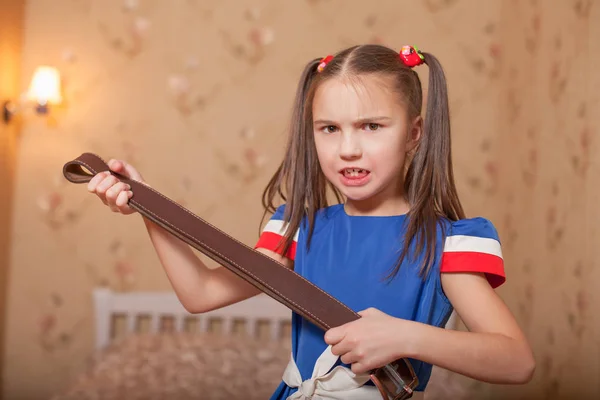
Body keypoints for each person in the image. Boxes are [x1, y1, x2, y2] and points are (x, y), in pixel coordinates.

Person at [87, 44, 535, 399]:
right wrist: (143, 205)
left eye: (372, 127)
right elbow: (199, 295)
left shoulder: (445, 243)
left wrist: (402, 336)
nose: (348, 150)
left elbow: (516, 361)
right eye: (329, 129)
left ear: (414, 133)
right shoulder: (298, 230)